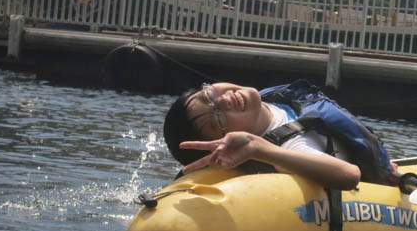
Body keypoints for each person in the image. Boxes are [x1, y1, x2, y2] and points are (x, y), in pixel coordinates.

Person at [163, 79, 395, 190]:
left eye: (208, 95)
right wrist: (258, 148)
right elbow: (349, 175)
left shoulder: (271, 99)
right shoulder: (291, 146)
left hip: (382, 175)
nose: (224, 100)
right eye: (219, 119)